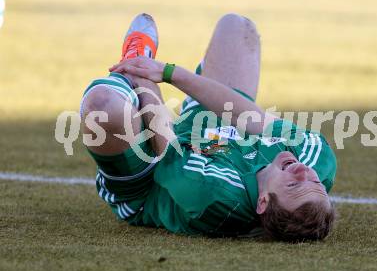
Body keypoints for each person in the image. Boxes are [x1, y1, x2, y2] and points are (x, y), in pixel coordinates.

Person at [80, 13, 337, 242]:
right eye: (314, 182)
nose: (303, 172)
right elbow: (254, 118)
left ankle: (133, 59)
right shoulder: (317, 163)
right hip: (213, 139)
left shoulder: (214, 196)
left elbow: (166, 146)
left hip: (151, 178)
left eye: (293, 185)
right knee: (237, 27)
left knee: (102, 107)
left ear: (262, 202)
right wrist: (170, 73)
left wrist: (142, 71)